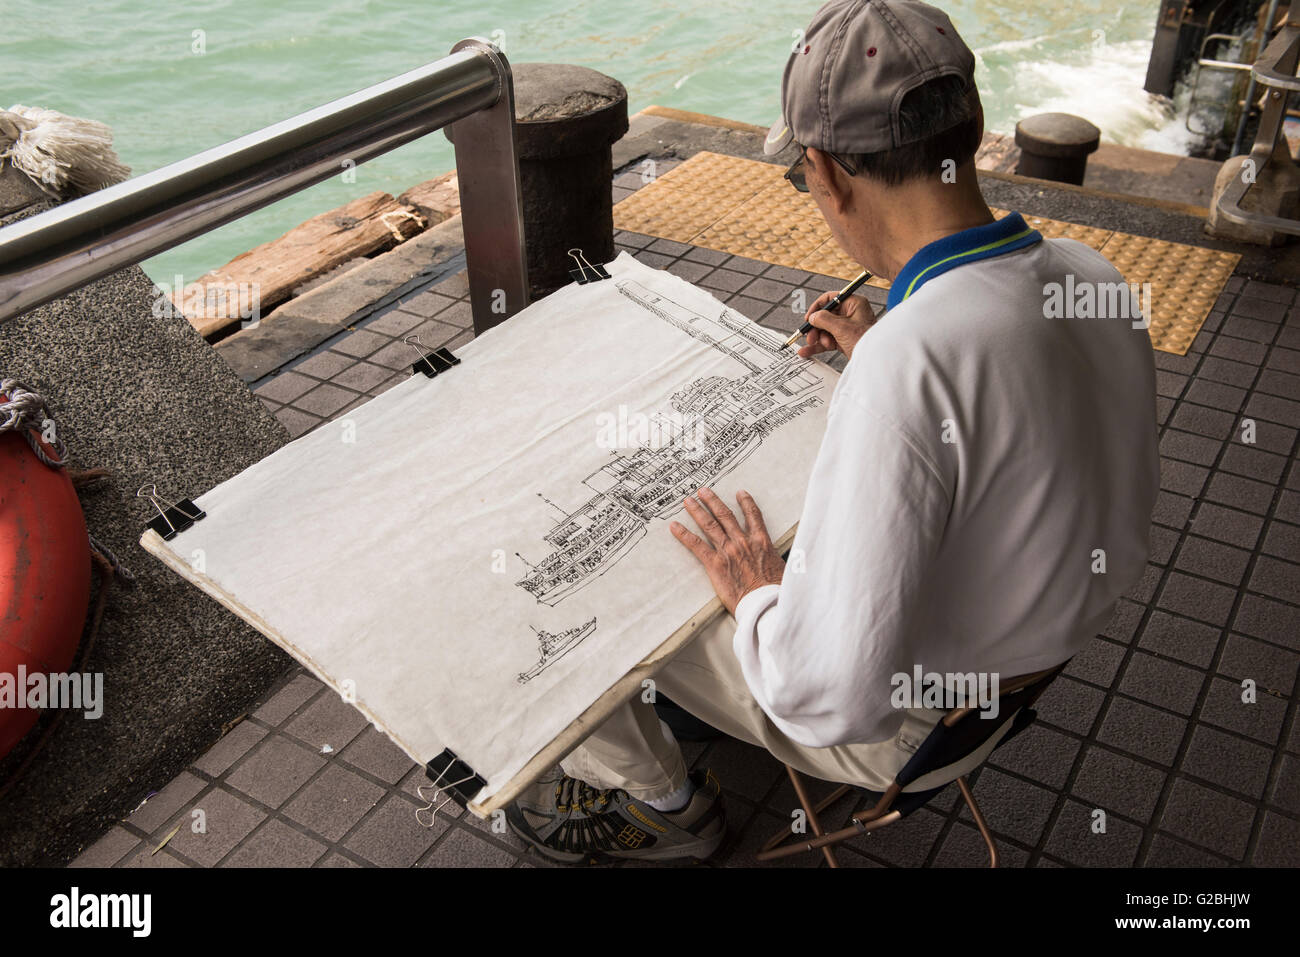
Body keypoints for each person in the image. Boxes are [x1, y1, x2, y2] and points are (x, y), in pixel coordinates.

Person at [507, 0, 1159, 864]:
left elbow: (828, 698)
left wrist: (758, 593)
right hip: (1017, 672)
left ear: (825, 173)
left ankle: (664, 803)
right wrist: (885, 339)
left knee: (568, 589)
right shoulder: (1093, 274)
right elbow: (1012, 406)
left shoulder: (909, 363)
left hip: (902, 726)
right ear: (972, 130)